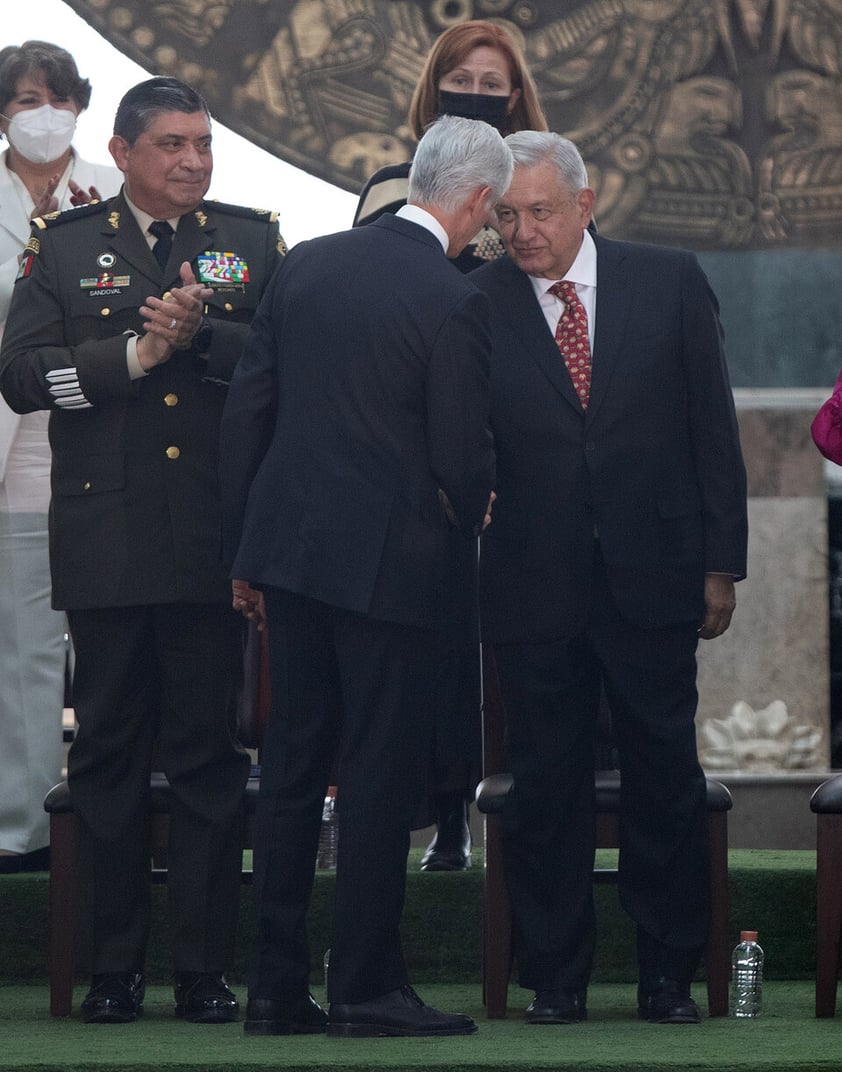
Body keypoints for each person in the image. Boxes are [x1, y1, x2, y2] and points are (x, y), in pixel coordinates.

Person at [219, 114, 512, 1038]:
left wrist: (247, 550)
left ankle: (272, 987)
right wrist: (477, 505)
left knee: (295, 768)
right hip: (398, 571)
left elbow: (249, 413)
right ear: (473, 201)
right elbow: (462, 455)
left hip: (292, 560)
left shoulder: (305, 263)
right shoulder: (454, 296)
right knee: (380, 774)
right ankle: (367, 987)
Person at [0, 76, 284, 1025]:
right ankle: (112, 969)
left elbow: (285, 365)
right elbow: (22, 374)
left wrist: (201, 342)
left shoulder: (249, 240)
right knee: (110, 758)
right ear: (120, 154)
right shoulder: (68, 247)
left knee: (208, 758)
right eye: (171, 145)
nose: (193, 162)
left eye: (203, 144)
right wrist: (133, 359)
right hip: (108, 536)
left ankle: (203, 972)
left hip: (210, 539)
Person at [471, 131, 748, 1025]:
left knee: (663, 776)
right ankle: (556, 977)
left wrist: (720, 562)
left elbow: (713, 426)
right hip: (530, 583)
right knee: (545, 783)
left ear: (585, 204)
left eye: (540, 211)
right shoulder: (476, 303)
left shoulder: (666, 280)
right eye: (506, 214)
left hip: (655, 576)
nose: (522, 232)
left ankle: (667, 973)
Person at [354, 18, 547, 872]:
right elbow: (370, 292)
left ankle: (518, 799)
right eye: (462, 77)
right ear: (436, 88)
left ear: (516, 94)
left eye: (493, 80)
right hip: (418, 433)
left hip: (522, 429)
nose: (479, 90)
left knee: (519, 635)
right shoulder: (395, 184)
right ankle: (441, 808)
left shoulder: (542, 176)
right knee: (429, 637)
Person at [0, 41, 121, 874]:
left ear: (81, 106)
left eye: (56, 97)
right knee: (27, 650)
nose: (42, 112)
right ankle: (26, 830)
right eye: (23, 98)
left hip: (105, 439)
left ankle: (110, 827)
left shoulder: (116, 193)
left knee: (109, 649)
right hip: (16, 450)